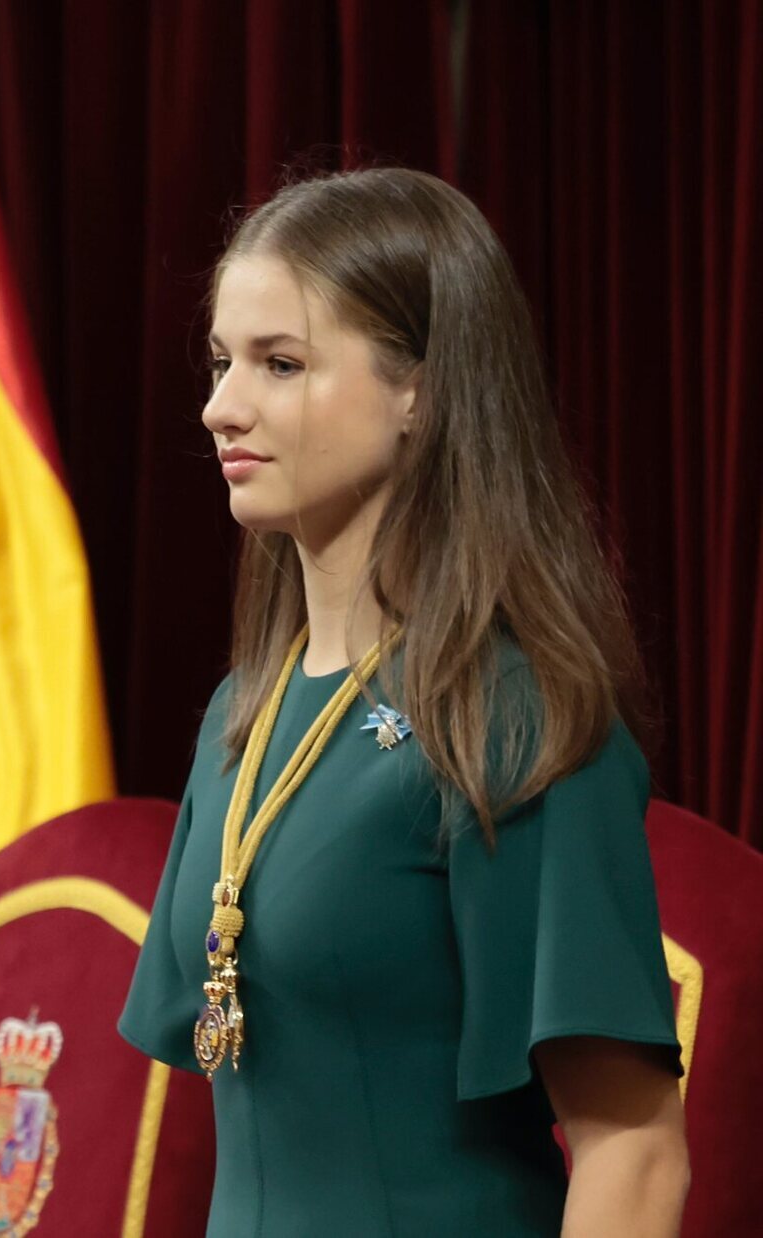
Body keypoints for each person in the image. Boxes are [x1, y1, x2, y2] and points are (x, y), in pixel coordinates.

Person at [118, 167, 689, 1235]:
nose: (218, 406)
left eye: (278, 363)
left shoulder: (514, 713)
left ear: (418, 389)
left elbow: (635, 1151)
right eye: (218, 361)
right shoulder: (239, 711)